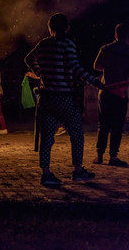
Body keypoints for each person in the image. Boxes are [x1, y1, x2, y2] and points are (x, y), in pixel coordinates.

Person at [25, 13, 103, 186]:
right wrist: (95, 82)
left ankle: (46, 173)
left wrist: (41, 73)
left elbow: (28, 59)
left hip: (46, 98)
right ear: (66, 27)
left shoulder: (43, 44)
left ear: (50, 27)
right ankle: (78, 170)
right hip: (64, 98)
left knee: (47, 137)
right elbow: (76, 68)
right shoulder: (67, 44)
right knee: (76, 134)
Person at [92, 24, 129, 166]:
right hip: (121, 93)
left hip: (105, 91)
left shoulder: (106, 48)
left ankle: (99, 155)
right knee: (117, 125)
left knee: (103, 124)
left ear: (116, 35)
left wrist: (109, 68)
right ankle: (113, 156)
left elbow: (96, 66)